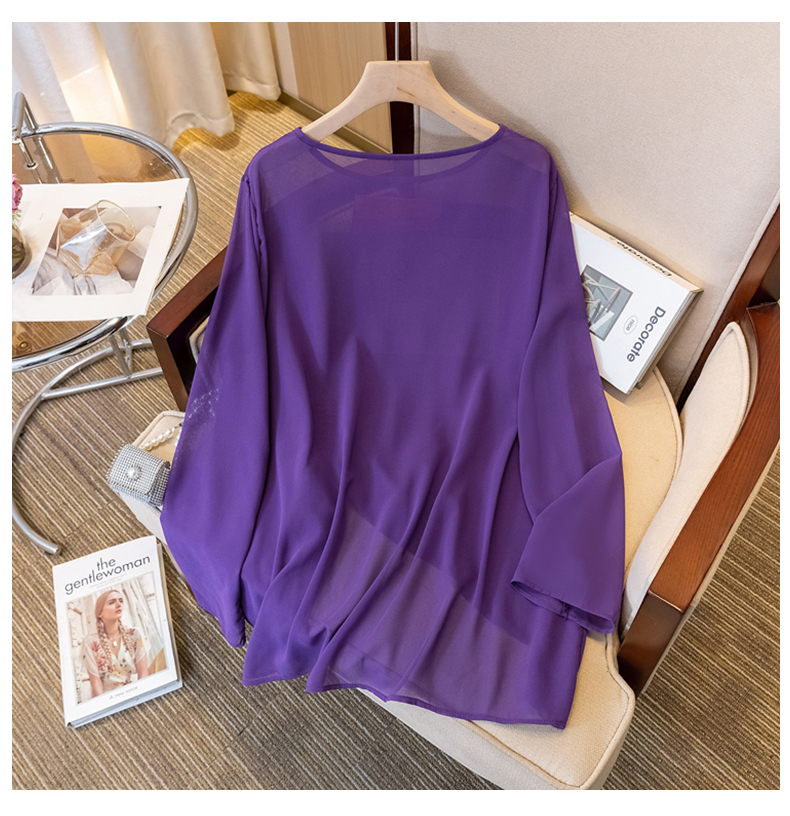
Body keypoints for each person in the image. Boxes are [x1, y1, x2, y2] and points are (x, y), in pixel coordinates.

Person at [81, 588, 149, 698]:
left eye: (121, 601)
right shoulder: (90, 642)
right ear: (100, 613)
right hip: (107, 699)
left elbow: (144, 674)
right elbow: (96, 685)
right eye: (112, 602)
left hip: (135, 694)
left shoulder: (134, 634)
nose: (119, 605)